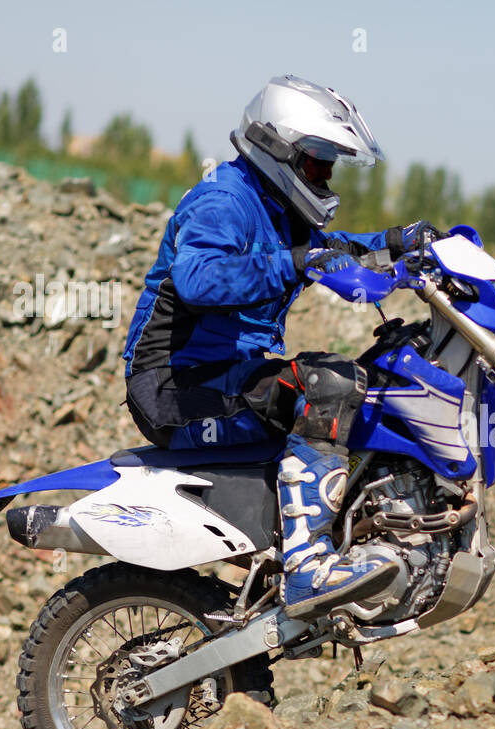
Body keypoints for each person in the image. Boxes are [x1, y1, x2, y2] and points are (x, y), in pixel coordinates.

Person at [121, 75, 442, 614]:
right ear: (277, 148)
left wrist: (400, 243)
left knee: (375, 376)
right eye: (317, 161)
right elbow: (200, 277)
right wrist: (297, 263)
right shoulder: (225, 200)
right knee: (324, 385)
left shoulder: (276, 208)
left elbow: (337, 248)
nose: (325, 174)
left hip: (225, 376)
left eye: (330, 164)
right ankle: (308, 567)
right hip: (174, 388)